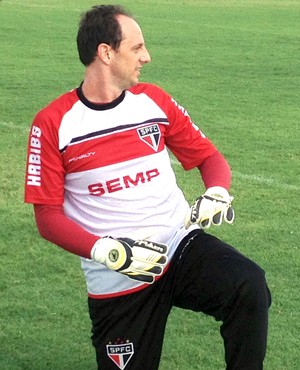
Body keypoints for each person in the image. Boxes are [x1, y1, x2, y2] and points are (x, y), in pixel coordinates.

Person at [24, 4, 271, 370]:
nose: (147, 56)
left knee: (249, 286)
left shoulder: (153, 101)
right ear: (106, 53)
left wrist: (217, 190)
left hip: (179, 245)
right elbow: (47, 216)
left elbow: (210, 159)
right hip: (119, 276)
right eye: (136, 48)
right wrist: (107, 251)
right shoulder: (53, 124)